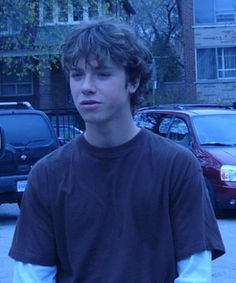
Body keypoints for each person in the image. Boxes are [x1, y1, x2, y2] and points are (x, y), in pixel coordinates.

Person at [9, 17, 225, 283]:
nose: (86, 86)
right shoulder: (47, 175)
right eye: (77, 74)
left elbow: (195, 275)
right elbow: (31, 277)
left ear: (133, 81)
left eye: (102, 74)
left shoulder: (176, 166)